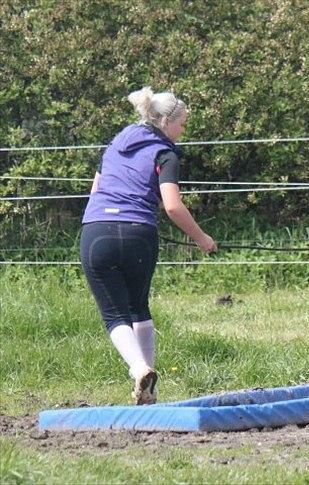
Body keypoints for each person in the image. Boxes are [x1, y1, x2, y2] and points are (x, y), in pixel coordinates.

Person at [80, 87, 217, 405]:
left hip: (96, 231)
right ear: (167, 121)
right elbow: (172, 206)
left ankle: (140, 371)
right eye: (182, 123)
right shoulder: (165, 153)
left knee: (113, 314)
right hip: (138, 232)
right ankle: (146, 375)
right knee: (137, 308)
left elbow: (97, 188)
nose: (182, 131)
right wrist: (202, 239)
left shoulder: (115, 144)